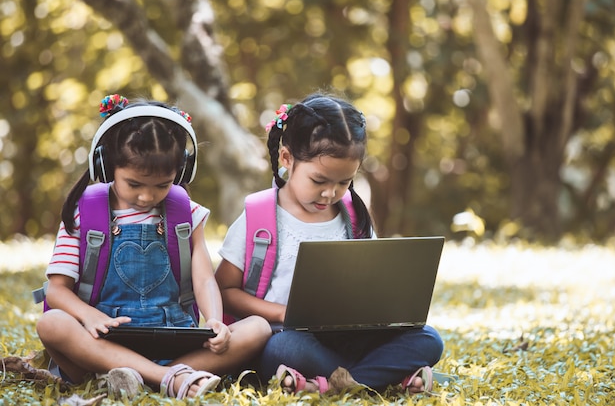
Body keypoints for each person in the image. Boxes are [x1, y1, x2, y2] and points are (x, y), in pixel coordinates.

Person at [35, 94, 272, 400]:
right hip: (105, 339)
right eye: (134, 184)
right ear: (106, 165)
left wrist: (214, 319)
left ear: (181, 173)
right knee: (51, 323)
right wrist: (89, 317)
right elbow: (56, 291)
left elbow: (203, 278)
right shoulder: (85, 214)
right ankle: (170, 378)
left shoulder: (188, 215)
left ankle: (138, 376)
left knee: (258, 328)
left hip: (174, 335)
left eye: (162, 185)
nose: (147, 197)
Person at [215, 93, 444, 395]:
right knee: (283, 349)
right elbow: (224, 291)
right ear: (287, 159)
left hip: (350, 338)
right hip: (288, 337)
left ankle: (326, 386)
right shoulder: (258, 219)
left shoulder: (354, 217)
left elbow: (374, 282)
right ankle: (378, 379)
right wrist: (282, 313)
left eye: (343, 182)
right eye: (319, 180)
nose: (329, 193)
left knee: (428, 339)